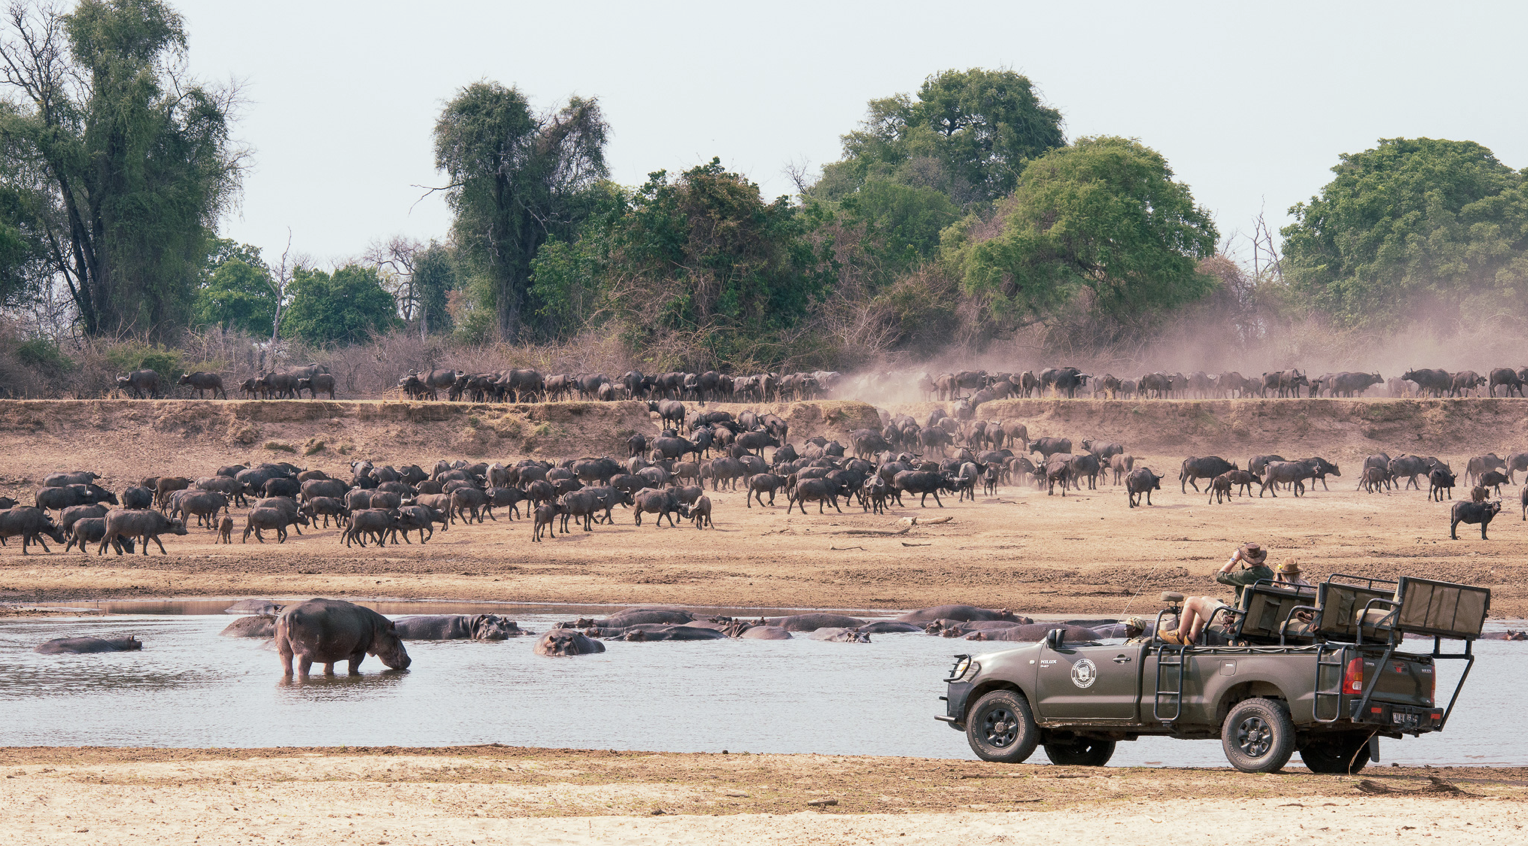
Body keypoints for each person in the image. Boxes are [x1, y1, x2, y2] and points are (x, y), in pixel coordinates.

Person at [1161, 543, 1271, 646]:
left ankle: (1179, 637)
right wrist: (1257, 560)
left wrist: (1234, 560)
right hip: (1249, 618)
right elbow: (1264, 568)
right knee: (1205, 599)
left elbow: (1220, 576)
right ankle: (1191, 638)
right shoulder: (1268, 574)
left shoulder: (1246, 576)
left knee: (1191, 601)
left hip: (1236, 619)